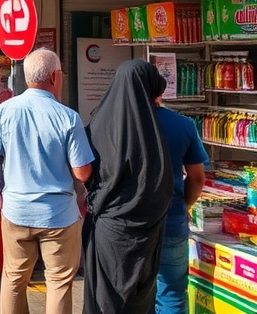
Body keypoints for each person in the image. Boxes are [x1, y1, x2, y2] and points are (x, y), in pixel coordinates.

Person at [0, 48, 94, 314]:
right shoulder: (68, 116)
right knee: (59, 282)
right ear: (55, 77)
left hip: (17, 210)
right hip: (59, 216)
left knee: (13, 278)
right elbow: (82, 173)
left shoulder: (4, 110)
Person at [83, 60, 173, 314]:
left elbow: (85, 174)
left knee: (105, 298)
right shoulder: (161, 128)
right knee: (141, 300)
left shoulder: (98, 125)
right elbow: (162, 184)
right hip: (148, 230)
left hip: (109, 229)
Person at [154, 85, 207, 314]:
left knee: (132, 291)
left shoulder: (115, 122)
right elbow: (196, 178)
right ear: (160, 93)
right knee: (172, 292)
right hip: (171, 220)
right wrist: (183, 205)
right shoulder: (183, 124)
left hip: (129, 226)